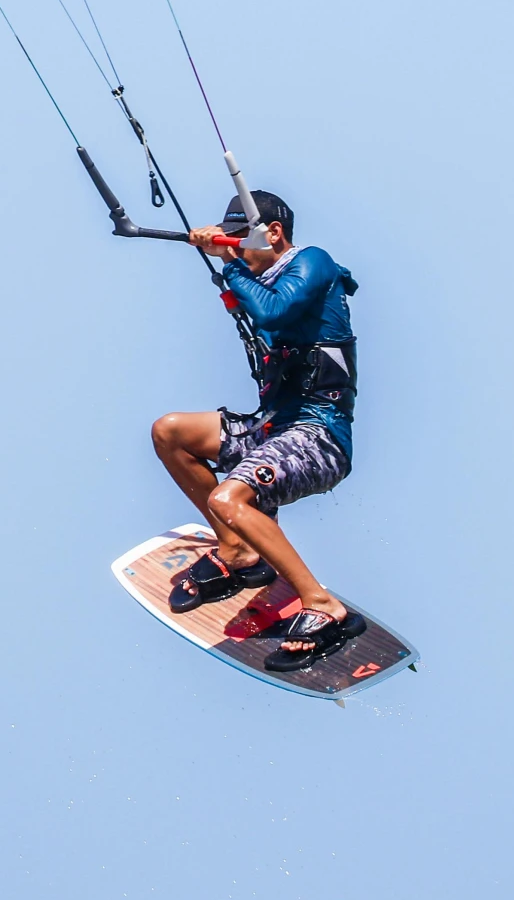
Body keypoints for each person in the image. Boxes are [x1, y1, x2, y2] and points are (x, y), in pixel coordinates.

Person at [150, 190, 365, 670]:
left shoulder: (313, 263)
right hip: (273, 428)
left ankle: (323, 605)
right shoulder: (257, 280)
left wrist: (229, 263)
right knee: (170, 432)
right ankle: (238, 550)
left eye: (240, 235)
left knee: (230, 499)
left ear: (273, 232)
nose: (235, 245)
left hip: (318, 437)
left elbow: (274, 311)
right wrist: (233, 265)